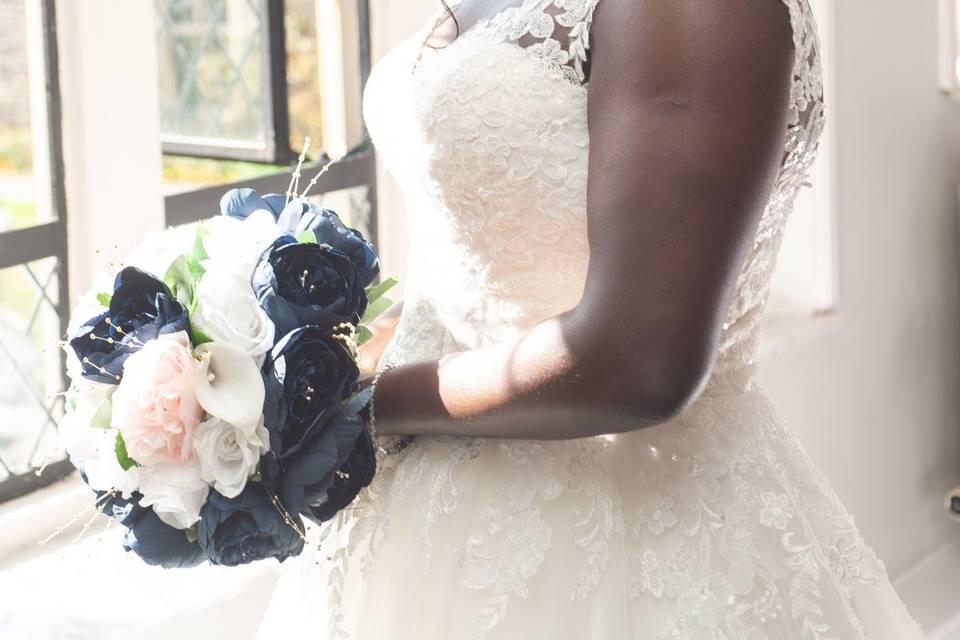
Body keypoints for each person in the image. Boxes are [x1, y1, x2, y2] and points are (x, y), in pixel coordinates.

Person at [260, 0, 925, 637]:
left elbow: (638, 363)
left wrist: (358, 406)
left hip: (620, 522)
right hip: (411, 520)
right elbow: (489, 249)